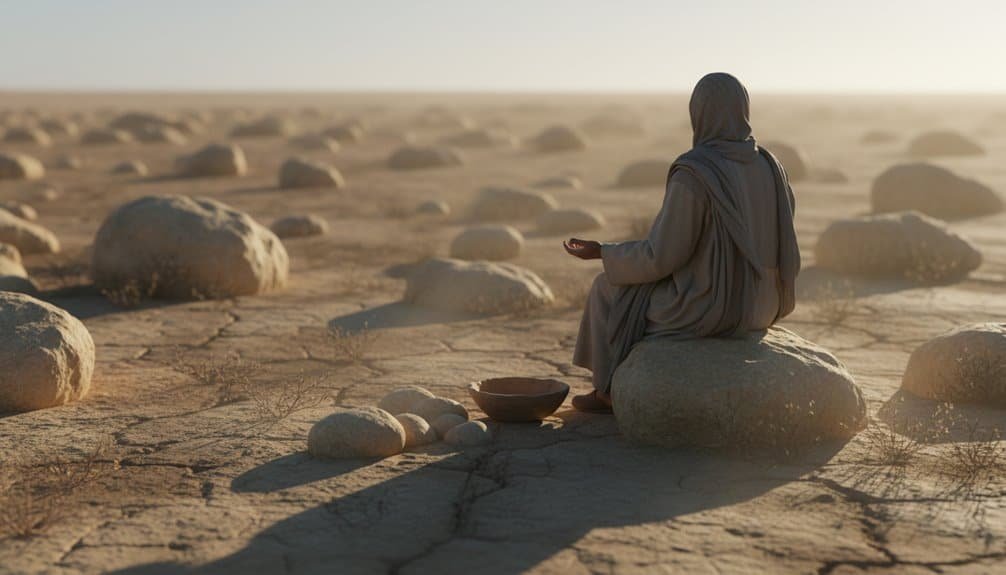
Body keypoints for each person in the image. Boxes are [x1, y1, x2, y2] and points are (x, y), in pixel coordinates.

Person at [564, 72, 801, 413]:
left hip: (718, 306)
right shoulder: (771, 164)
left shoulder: (698, 171)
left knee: (607, 289)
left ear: (699, 112)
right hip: (768, 304)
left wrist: (603, 252)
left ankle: (606, 390)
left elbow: (661, 257)